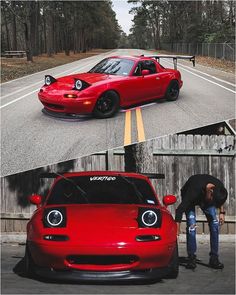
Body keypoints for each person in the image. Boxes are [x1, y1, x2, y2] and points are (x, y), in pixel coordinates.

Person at [175, 174, 228, 269]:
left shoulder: (219, 186)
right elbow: (179, 210)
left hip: (205, 197)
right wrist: (177, 232)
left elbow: (221, 199)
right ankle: (191, 258)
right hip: (191, 195)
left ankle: (214, 258)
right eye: (213, 201)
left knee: (215, 224)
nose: (214, 204)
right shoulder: (192, 192)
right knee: (192, 225)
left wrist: (222, 212)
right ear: (210, 191)